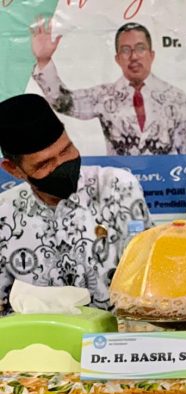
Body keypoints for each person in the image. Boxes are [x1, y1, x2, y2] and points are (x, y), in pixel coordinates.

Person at [0, 93, 152, 314]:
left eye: (66, 150)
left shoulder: (117, 187)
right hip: (34, 341)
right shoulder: (4, 213)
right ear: (14, 170)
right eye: (45, 164)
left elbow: (148, 275)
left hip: (114, 339)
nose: (62, 166)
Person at [30, 20, 186, 155]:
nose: (133, 57)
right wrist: (44, 61)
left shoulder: (175, 97)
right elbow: (63, 102)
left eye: (140, 48)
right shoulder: (105, 96)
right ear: (117, 58)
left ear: (151, 55)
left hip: (165, 189)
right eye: (126, 50)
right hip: (119, 189)